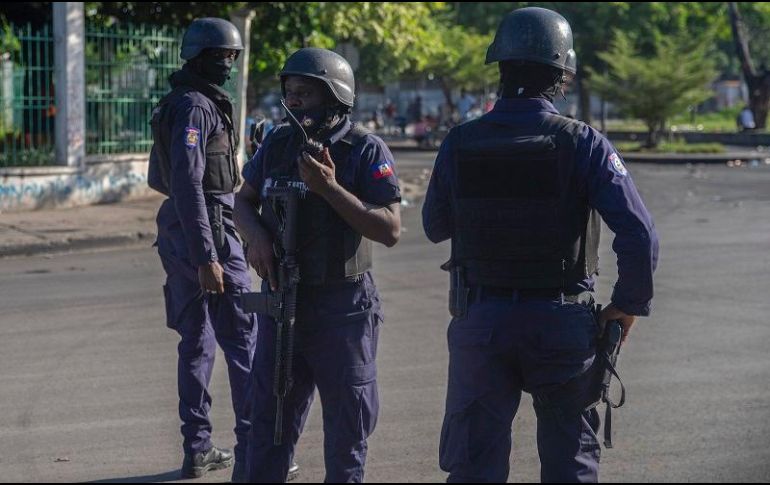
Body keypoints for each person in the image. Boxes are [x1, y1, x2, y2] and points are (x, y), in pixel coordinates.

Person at [422, 7, 659, 483]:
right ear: (562, 75)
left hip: (481, 322)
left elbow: (434, 225)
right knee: (569, 466)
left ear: (500, 68)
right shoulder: (584, 143)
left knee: (473, 468)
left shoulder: (460, 141)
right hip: (561, 324)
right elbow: (639, 232)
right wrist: (627, 305)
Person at [234, 47, 402, 483]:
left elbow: (389, 229)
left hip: (342, 309)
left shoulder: (364, 149)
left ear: (334, 96)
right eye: (289, 94)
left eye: (304, 94)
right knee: (268, 428)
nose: (293, 104)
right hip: (282, 304)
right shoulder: (277, 142)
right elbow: (242, 201)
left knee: (347, 433)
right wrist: (257, 239)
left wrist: (329, 188)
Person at [147, 17, 256, 482]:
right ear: (200, 57)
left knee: (198, 344)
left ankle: (199, 448)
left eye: (233, 56)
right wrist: (208, 256)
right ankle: (257, 448)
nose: (229, 65)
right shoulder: (195, 107)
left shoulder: (186, 101)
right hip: (207, 231)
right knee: (242, 340)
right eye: (223, 56)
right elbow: (189, 184)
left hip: (185, 232)